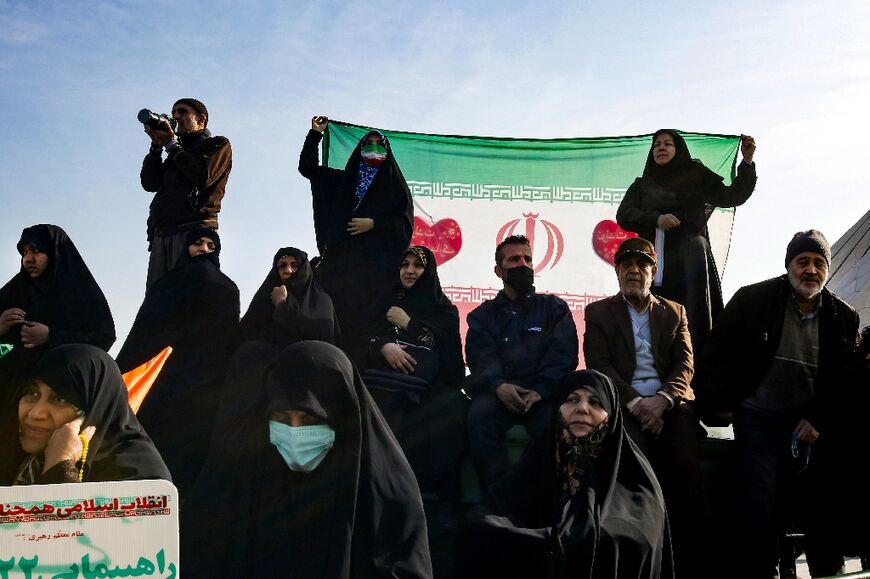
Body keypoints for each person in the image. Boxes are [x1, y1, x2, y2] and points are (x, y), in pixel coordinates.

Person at [181, 341, 433, 578]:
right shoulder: (243, 482)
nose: (294, 431)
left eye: (310, 418)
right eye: (282, 418)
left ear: (343, 416)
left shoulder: (387, 495)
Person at [694, 230, 859, 578]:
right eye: (803, 262)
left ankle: (828, 572)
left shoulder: (843, 317)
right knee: (759, 503)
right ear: (788, 266)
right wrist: (724, 403)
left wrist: (818, 420)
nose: (810, 270)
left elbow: (845, 381)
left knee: (823, 504)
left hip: (808, 426)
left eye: (819, 263)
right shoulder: (752, 300)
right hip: (758, 418)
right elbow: (715, 353)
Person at [455, 370, 671, 579]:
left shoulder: (635, 475)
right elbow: (505, 501)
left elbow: (641, 532)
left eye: (595, 402)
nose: (582, 409)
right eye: (571, 400)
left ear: (611, 414)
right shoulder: (542, 455)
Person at [583, 237, 699, 577]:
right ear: (617, 271)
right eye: (626, 265)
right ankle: (638, 559)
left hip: (670, 406)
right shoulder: (599, 313)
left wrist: (661, 402)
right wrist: (636, 403)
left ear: (653, 271)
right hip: (625, 406)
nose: (634, 271)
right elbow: (599, 364)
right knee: (633, 469)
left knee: (684, 466)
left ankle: (685, 561)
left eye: (642, 265)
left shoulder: (675, 312)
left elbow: (685, 365)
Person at [116, 227, 239, 496]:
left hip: (207, 388)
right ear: (186, 248)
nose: (203, 249)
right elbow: (145, 335)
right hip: (166, 382)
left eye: (210, 245)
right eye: (197, 243)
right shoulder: (168, 285)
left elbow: (227, 340)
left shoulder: (227, 288)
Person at [616, 130, 757, 353]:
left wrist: (747, 161)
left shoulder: (697, 176)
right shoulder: (642, 186)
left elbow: (732, 196)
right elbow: (624, 215)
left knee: (693, 320)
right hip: (653, 262)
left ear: (678, 149)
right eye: (657, 145)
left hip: (691, 263)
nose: (661, 148)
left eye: (667, 144)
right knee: (653, 323)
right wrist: (656, 219)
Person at [466, 235, 579, 496]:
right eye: (514, 259)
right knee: (478, 418)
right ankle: (499, 499)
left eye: (527, 259)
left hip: (542, 396)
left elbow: (563, 355)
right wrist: (499, 386)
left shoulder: (554, 308)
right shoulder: (483, 315)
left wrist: (540, 390)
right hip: (498, 394)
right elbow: (480, 356)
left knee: (556, 426)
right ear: (499, 270)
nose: (523, 264)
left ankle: (538, 499)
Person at [298, 115, 413, 366]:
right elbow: (307, 168)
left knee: (365, 334)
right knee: (330, 326)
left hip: (375, 278)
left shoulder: (395, 188)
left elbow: (404, 226)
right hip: (339, 270)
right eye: (368, 143)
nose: (373, 148)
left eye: (379, 144)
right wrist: (315, 134)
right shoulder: (343, 181)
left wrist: (375, 224)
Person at [364, 245, 466, 507]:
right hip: (386, 383)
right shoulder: (386, 301)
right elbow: (365, 337)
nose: (409, 271)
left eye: (418, 265)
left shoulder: (443, 309)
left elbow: (449, 354)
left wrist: (408, 323)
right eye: (404, 264)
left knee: (448, 411)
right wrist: (383, 346)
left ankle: (444, 503)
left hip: (433, 387)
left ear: (429, 270)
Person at [1, 344, 170, 485]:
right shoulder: (16, 457)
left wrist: (60, 467)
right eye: (33, 393)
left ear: (95, 409)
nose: (36, 413)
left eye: (60, 399)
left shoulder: (142, 478)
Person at [0, 225, 115, 424]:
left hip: (57, 400)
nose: (28, 259)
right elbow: (4, 348)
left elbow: (103, 338)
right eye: (24, 253)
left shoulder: (81, 293)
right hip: (7, 395)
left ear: (54, 252)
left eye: (36, 251)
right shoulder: (14, 291)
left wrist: (51, 336)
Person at [140, 97, 232, 289]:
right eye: (173, 112)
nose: (176, 116)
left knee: (191, 295)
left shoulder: (217, 144)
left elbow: (202, 176)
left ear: (201, 119)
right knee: (158, 298)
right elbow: (150, 183)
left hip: (194, 232)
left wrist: (172, 145)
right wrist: (156, 148)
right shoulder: (176, 152)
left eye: (182, 112)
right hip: (162, 233)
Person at [239, 246, 340, 347]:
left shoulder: (321, 301)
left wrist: (282, 305)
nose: (288, 270)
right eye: (282, 266)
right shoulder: (264, 298)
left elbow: (321, 341)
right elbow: (247, 334)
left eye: (295, 265)